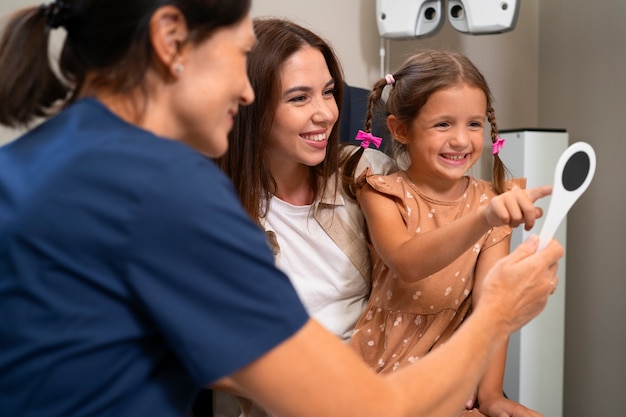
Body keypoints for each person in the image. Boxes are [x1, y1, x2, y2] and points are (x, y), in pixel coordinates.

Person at [0, 2, 563, 417]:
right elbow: (359, 409)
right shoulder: (165, 188)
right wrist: (498, 313)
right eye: (239, 55)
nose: (244, 92)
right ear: (171, 37)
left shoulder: (31, 165)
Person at [348, 50, 549, 417]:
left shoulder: (493, 201)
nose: (461, 140)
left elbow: (492, 306)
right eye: (443, 125)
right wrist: (483, 219)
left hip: (451, 376)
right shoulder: (381, 192)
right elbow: (407, 261)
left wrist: (490, 397)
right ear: (400, 130)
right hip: (381, 374)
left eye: (473, 124)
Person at [212, 17, 394, 417]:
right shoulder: (210, 211)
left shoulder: (367, 174)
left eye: (328, 93)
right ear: (249, 107)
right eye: (299, 98)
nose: (325, 114)